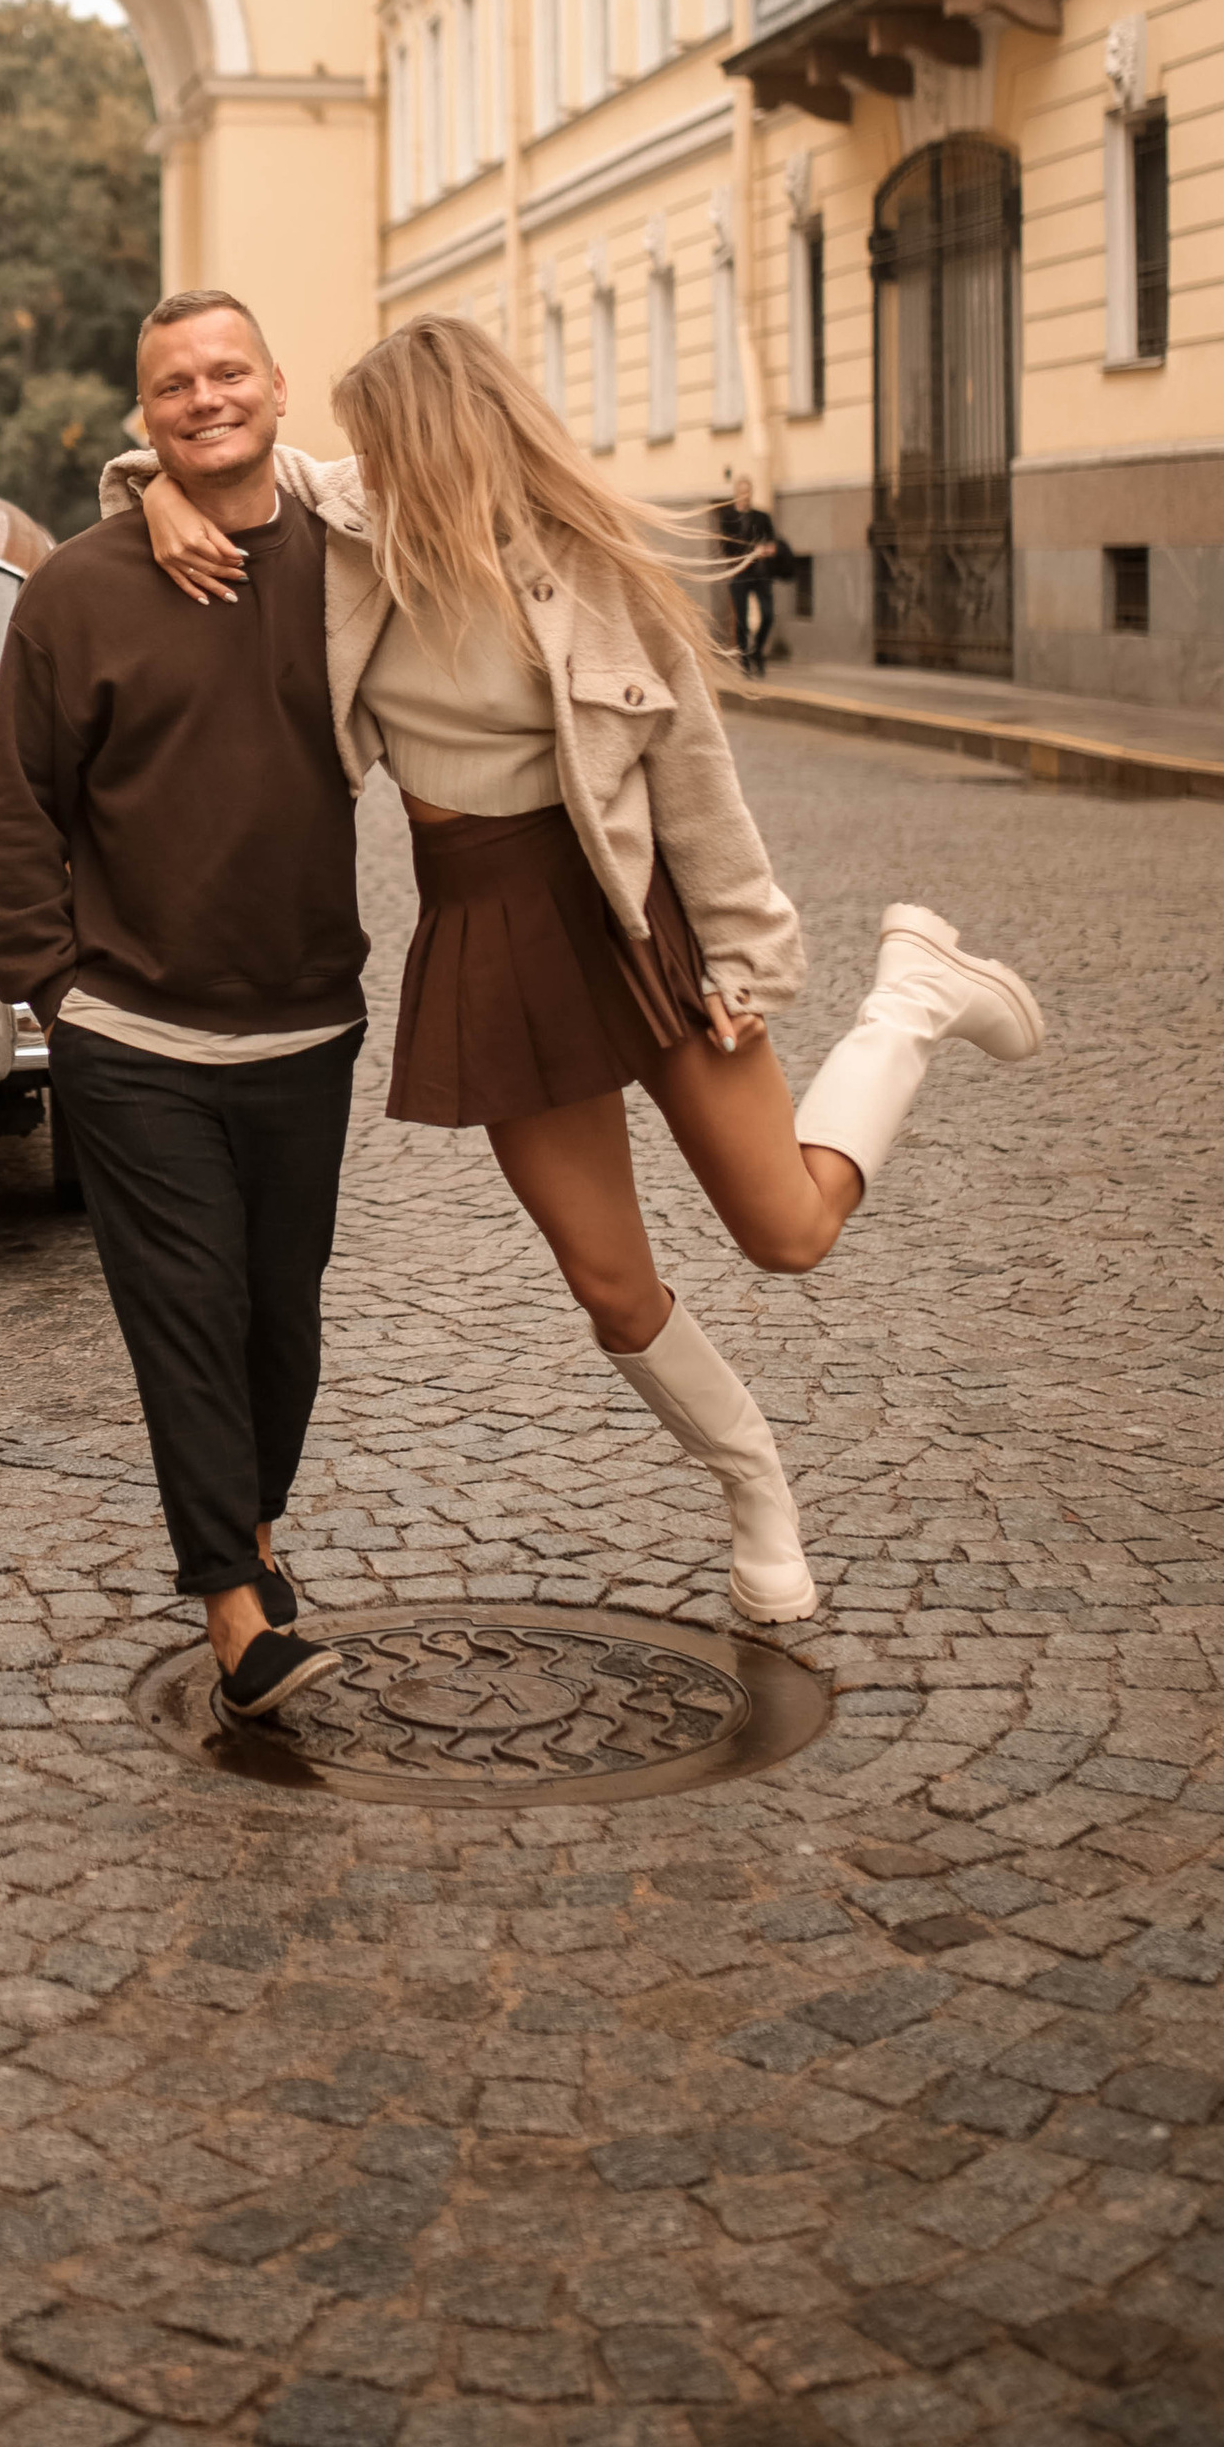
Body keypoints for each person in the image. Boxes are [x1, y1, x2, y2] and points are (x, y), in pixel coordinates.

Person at [112, 310, 1042, 1628]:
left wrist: (746, 956)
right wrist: (156, 498)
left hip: (627, 914)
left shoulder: (591, 574)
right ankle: (756, 1492)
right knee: (609, 1285)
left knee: (786, 1232)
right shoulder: (348, 528)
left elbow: (693, 774)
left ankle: (909, 1004)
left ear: (443, 439)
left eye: (386, 441)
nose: (365, 464)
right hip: (487, 939)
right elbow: (196, 464)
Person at [0, 293, 366, 1726]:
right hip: (134, 1037)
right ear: (142, 420)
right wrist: (58, 994)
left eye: (227, 372)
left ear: (278, 384)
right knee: (188, 1314)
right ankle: (234, 1617)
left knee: (280, 1324)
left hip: (308, 1021)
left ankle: (249, 1534)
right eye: (173, 386)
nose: (205, 399)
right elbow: (17, 810)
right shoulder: (77, 592)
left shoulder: (350, 564)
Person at [715, 476, 788, 679]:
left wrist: (769, 549)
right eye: (742, 492)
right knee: (741, 620)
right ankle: (745, 659)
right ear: (736, 494)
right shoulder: (728, 517)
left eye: (748, 492)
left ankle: (758, 652)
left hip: (760, 573)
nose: (745, 496)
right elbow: (727, 547)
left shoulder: (761, 517)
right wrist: (751, 551)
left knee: (768, 615)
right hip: (739, 573)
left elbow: (772, 540)